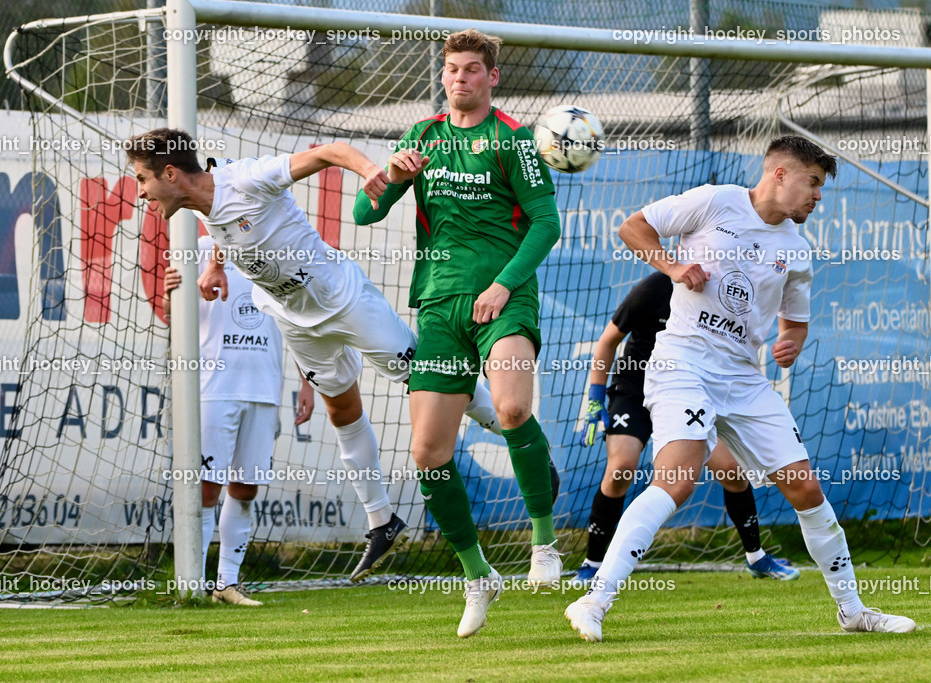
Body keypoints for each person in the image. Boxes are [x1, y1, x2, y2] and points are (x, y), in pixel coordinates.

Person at [565, 136, 916, 641]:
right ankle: (595, 599)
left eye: (821, 187)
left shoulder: (797, 250)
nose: (818, 197)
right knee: (678, 479)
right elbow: (632, 227)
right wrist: (672, 266)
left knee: (807, 488)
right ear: (779, 174)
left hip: (745, 378)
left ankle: (853, 610)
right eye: (813, 183)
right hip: (683, 362)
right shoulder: (715, 200)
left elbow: (795, 322)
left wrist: (790, 343)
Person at [128, 130, 501, 583]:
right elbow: (232, 226)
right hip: (295, 317)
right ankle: (382, 520)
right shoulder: (202, 201)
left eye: (142, 179)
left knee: (428, 377)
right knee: (341, 408)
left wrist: (369, 172)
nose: (141, 191)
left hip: (342, 298)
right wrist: (217, 264)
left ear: (170, 173)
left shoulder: (246, 177)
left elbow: (327, 152)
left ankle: (513, 428)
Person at [354, 29, 563, 638]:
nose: (461, 79)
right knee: (427, 453)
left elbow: (547, 224)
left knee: (513, 407)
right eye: (452, 70)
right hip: (440, 306)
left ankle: (544, 542)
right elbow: (366, 213)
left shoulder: (515, 140)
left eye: (473, 70)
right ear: (442, 76)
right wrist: (391, 176)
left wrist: (502, 285)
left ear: (492, 78)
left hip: (503, 299)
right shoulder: (421, 137)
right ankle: (478, 575)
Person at [576, 271, 798, 582]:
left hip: (688, 391)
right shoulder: (656, 286)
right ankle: (593, 564)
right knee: (621, 470)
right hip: (635, 389)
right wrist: (595, 399)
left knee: (732, 472)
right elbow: (607, 341)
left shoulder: (724, 290)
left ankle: (756, 557)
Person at [162, 235, 314, 605]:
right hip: (215, 385)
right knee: (206, 488)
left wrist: (307, 380)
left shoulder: (278, 246)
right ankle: (192, 584)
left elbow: (293, 319)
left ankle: (226, 585)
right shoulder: (197, 247)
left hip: (264, 385)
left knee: (246, 488)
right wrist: (173, 296)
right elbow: (177, 318)